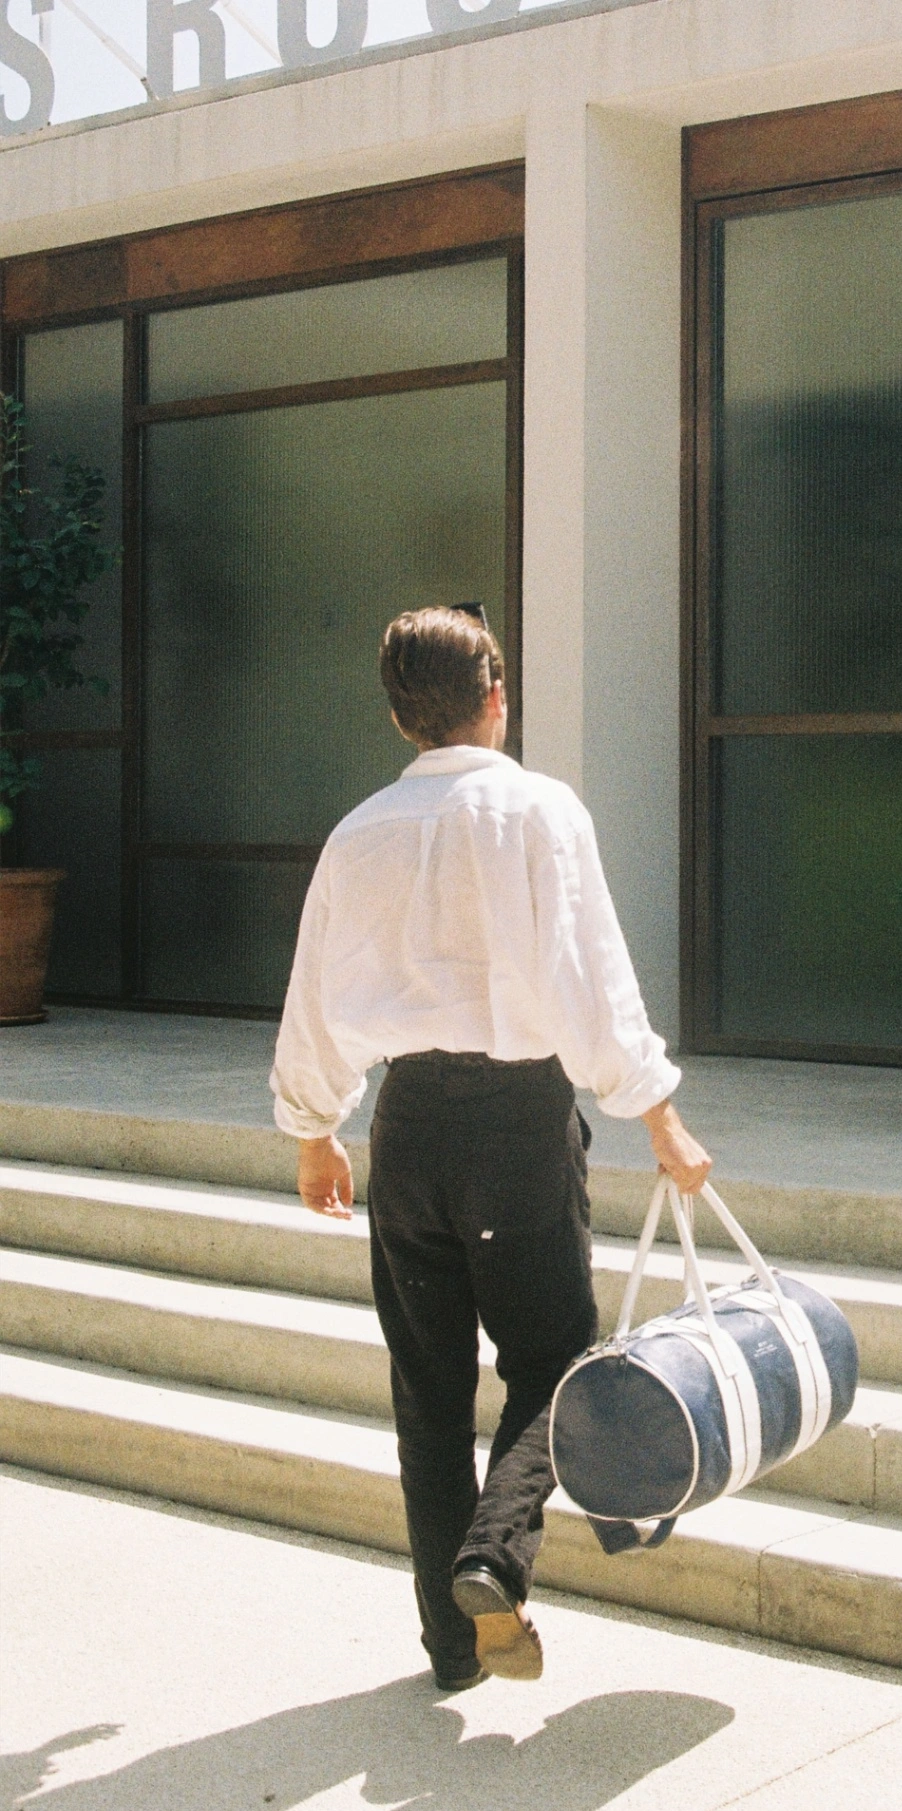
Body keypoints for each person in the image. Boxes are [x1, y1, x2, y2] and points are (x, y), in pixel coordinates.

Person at [270, 603, 711, 1691]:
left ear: (397, 715)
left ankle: (451, 1650)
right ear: (497, 698)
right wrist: (656, 1111)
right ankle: (495, 1557)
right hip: (516, 1124)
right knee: (556, 1364)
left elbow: (314, 994)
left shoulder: (359, 830)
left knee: (426, 1396)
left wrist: (313, 1132)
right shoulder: (539, 812)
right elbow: (592, 982)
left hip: (405, 1127)